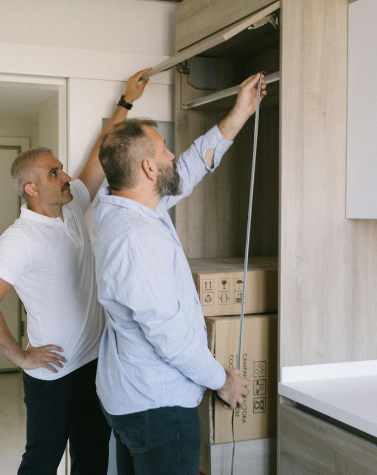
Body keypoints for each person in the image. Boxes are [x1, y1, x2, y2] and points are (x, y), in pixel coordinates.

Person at [0, 68, 152, 475]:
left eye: (61, 168)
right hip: (53, 374)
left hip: (93, 363)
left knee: (91, 458)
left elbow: (99, 158)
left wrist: (126, 102)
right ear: (32, 189)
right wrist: (21, 356)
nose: (66, 175)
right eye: (54, 173)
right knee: (41, 462)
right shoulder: (20, 239)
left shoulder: (72, 205)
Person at [91, 73, 267, 474]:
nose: (173, 155)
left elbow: (188, 168)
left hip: (132, 398)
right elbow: (168, 336)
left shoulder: (119, 203)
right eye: (165, 150)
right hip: (158, 408)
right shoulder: (137, 240)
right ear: (149, 168)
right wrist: (222, 379)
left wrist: (240, 112)